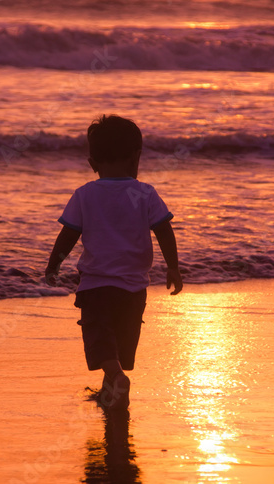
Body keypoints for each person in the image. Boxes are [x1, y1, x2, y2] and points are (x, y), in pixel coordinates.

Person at [45, 115, 183, 410]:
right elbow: (163, 230)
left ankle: (116, 379)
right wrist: (173, 266)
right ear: (136, 157)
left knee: (101, 339)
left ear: (92, 162)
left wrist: (54, 264)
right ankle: (112, 388)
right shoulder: (143, 192)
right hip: (134, 287)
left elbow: (69, 234)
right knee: (119, 342)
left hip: (96, 284)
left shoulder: (85, 194)